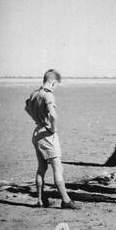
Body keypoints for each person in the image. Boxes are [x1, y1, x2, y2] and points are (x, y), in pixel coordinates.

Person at [24, 69, 80, 209]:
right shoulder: (48, 95)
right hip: (47, 134)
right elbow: (53, 116)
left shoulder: (34, 94)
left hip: (37, 132)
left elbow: (27, 108)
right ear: (52, 82)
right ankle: (66, 200)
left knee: (41, 167)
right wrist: (53, 128)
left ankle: (40, 200)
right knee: (57, 166)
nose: (56, 88)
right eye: (56, 85)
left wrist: (38, 120)